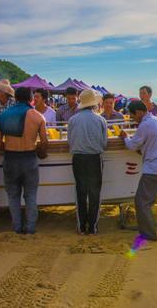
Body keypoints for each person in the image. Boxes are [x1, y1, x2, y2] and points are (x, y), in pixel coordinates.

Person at [120, 100, 157, 241]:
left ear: (138, 112)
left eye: (133, 116)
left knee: (142, 202)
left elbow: (132, 145)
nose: (133, 119)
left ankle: (149, 234)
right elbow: (155, 143)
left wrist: (125, 137)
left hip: (154, 169)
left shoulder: (145, 125)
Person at [0, 87, 48, 234]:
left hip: (10, 158)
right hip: (29, 157)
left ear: (15, 98)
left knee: (13, 196)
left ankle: (17, 227)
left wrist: (8, 148)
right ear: (31, 98)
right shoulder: (38, 117)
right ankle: (30, 228)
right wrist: (41, 152)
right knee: (30, 195)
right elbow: (44, 142)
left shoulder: (3, 115)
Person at [67, 90, 107, 235]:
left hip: (78, 158)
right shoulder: (100, 120)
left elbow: (70, 142)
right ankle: (93, 227)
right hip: (94, 158)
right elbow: (104, 144)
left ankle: (81, 226)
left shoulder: (72, 120)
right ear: (93, 104)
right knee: (95, 193)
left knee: (80, 192)